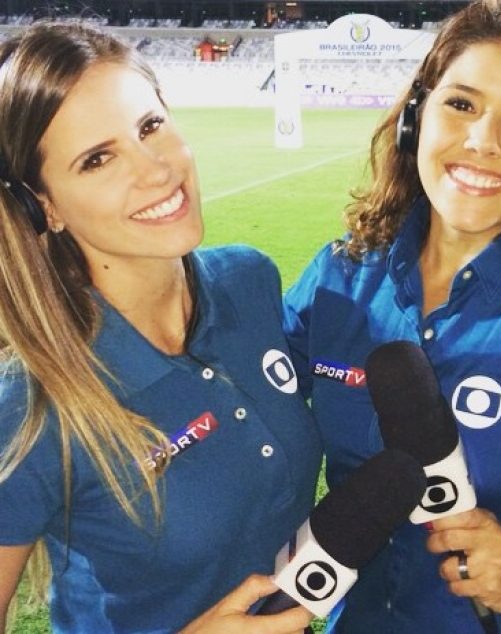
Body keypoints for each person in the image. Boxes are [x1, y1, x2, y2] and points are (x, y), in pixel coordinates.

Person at [283, 0, 501, 632]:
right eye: (461, 104)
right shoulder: (339, 277)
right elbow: (245, 425)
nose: (482, 141)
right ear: (416, 118)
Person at [0, 22, 322, 634]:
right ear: (46, 207)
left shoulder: (249, 281)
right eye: (97, 160)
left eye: (150, 127)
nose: (156, 171)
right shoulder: (31, 406)